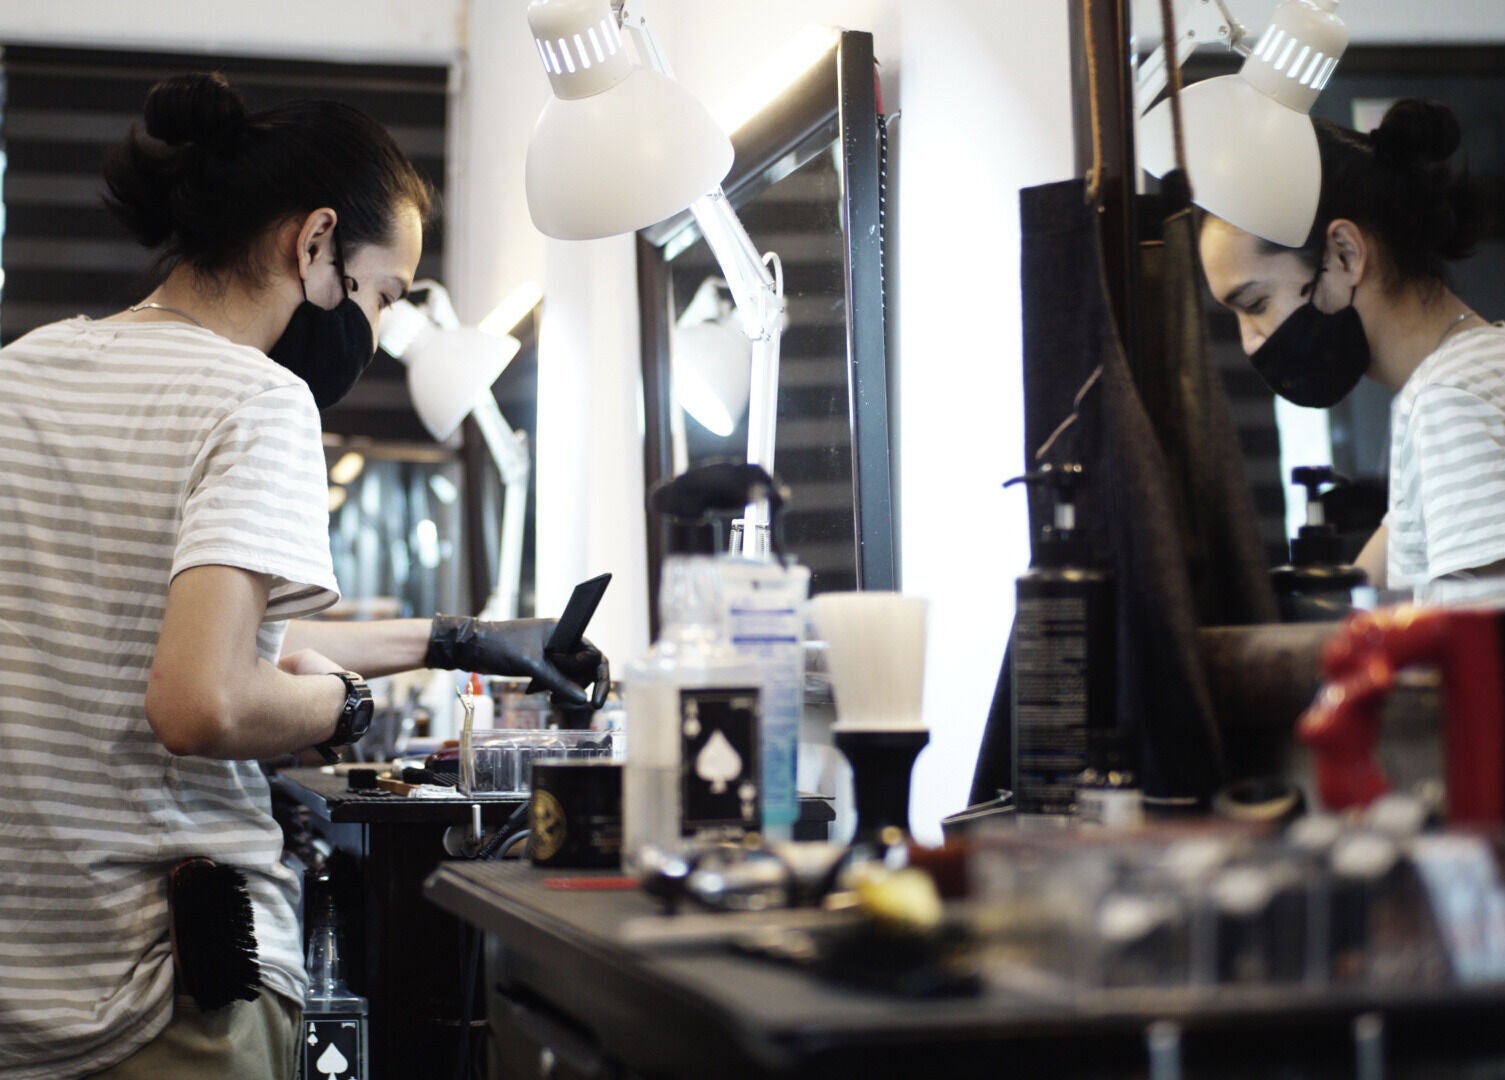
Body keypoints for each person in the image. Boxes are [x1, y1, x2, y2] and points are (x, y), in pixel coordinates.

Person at [0, 73, 604, 1079]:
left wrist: (446, 643)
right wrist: (350, 707)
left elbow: (182, 639)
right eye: (380, 295)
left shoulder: (22, 372)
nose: (369, 330)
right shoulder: (257, 401)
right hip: (168, 993)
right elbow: (202, 703)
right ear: (314, 240)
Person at [1198, 98, 1500, 606]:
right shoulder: (1475, 368)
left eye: (1255, 304)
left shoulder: (1449, 401)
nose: (1249, 340)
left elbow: (1484, 656)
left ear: (1345, 254)